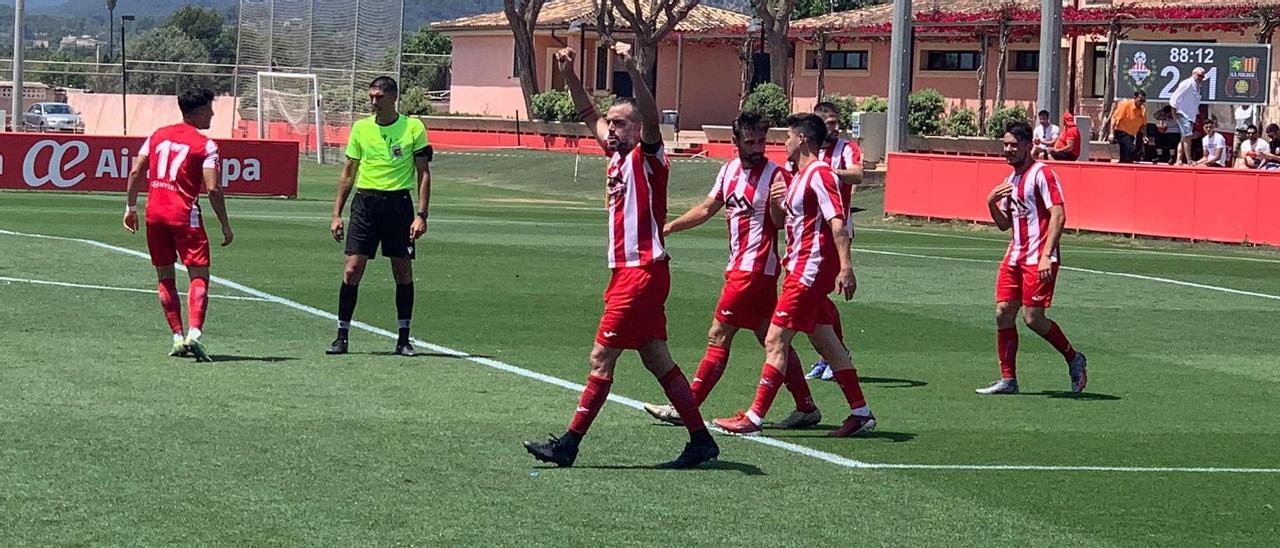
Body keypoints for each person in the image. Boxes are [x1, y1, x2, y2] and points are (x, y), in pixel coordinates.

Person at [523, 43, 719, 470]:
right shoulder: (614, 155)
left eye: (619, 124)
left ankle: (569, 445)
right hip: (632, 272)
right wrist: (570, 73)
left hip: (641, 271)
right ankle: (701, 439)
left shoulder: (647, 157)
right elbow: (587, 114)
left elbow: (650, 116)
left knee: (601, 358)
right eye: (610, 123)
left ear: (636, 128)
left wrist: (633, 71)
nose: (610, 129)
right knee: (655, 358)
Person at [641, 111, 821, 430]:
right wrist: (670, 227)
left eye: (761, 141)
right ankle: (806, 406)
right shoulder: (729, 170)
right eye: (749, 141)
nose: (756, 147)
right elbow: (708, 208)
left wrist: (779, 204)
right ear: (735, 141)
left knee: (718, 334)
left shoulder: (776, 175)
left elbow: (780, 223)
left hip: (753, 271)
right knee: (770, 339)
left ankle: (686, 407)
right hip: (742, 269)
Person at [711, 114, 877, 438]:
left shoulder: (820, 174)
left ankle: (754, 418)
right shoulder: (797, 175)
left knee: (775, 339)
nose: (782, 142)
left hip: (809, 270)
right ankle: (860, 412)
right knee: (825, 339)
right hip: (798, 268)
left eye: (787, 135)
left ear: (801, 138)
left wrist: (846, 267)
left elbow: (837, 222)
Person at [122, 87, 234, 362]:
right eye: (209, 110)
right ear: (197, 113)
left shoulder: (157, 135)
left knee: (164, 275)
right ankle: (194, 334)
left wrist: (130, 207)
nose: (212, 114)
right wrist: (225, 224)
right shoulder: (205, 145)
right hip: (184, 215)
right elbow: (213, 188)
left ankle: (176, 337)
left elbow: (137, 171)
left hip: (154, 214)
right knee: (199, 274)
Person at [977, 120, 1088, 396]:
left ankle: (1074, 358)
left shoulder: (1042, 173)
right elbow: (1005, 224)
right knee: (1003, 312)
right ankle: (1008, 380)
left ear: (1029, 145)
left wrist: (1048, 255)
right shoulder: (1010, 181)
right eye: (1005, 145)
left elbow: (1059, 215)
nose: (1009, 150)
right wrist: (991, 202)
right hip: (1015, 255)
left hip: (1039, 256)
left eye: (1014, 145)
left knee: (1033, 318)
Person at [327, 76, 433, 357]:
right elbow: (348, 173)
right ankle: (341, 336)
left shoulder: (413, 127)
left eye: (379, 97)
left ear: (393, 97)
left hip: (398, 205)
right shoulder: (361, 128)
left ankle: (403, 338)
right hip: (365, 204)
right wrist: (336, 214)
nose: (373, 102)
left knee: (402, 270)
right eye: (371, 96)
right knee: (352, 269)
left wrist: (421, 215)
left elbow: (423, 173)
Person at [803, 101, 864, 381]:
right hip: (810, 232)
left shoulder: (845, 149)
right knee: (817, 295)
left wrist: (828, 173)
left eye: (837, 123)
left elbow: (858, 173)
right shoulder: (809, 152)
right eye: (829, 123)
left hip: (837, 228)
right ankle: (827, 355)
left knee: (820, 294)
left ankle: (837, 353)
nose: (836, 128)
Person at [1169, 67, 1206, 165]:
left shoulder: (1197, 86)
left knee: (1183, 138)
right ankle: (1189, 160)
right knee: (1188, 136)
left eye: (1202, 76)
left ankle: (1179, 160)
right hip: (1183, 114)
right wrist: (1173, 112)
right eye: (1199, 75)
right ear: (1193, 73)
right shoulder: (1187, 83)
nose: (1201, 78)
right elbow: (1174, 97)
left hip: (1190, 116)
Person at [1110, 90, 1147, 163]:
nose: (1141, 103)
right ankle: (1136, 156)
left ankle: (1124, 166)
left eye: (1143, 101)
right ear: (1135, 98)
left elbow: (1143, 124)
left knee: (1126, 156)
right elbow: (1114, 118)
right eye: (1140, 100)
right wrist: (1111, 133)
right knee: (1131, 149)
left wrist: (1144, 136)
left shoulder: (1143, 109)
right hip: (1121, 132)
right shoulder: (1126, 105)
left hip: (1131, 135)